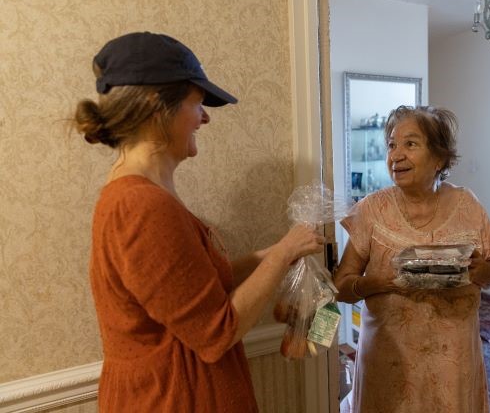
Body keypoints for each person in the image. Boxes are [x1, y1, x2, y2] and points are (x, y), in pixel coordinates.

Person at [70, 32, 325, 412]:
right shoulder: (142, 205)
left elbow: (196, 288)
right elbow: (216, 332)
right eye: (198, 103)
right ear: (159, 107)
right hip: (173, 399)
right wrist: (282, 254)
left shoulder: (140, 196)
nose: (204, 117)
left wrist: (274, 254)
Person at [334, 105, 490, 413]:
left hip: (453, 359)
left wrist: (479, 270)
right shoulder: (371, 210)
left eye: (410, 144)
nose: (396, 155)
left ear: (439, 158)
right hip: (390, 360)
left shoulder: (467, 204)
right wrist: (379, 283)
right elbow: (341, 286)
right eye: (391, 145)